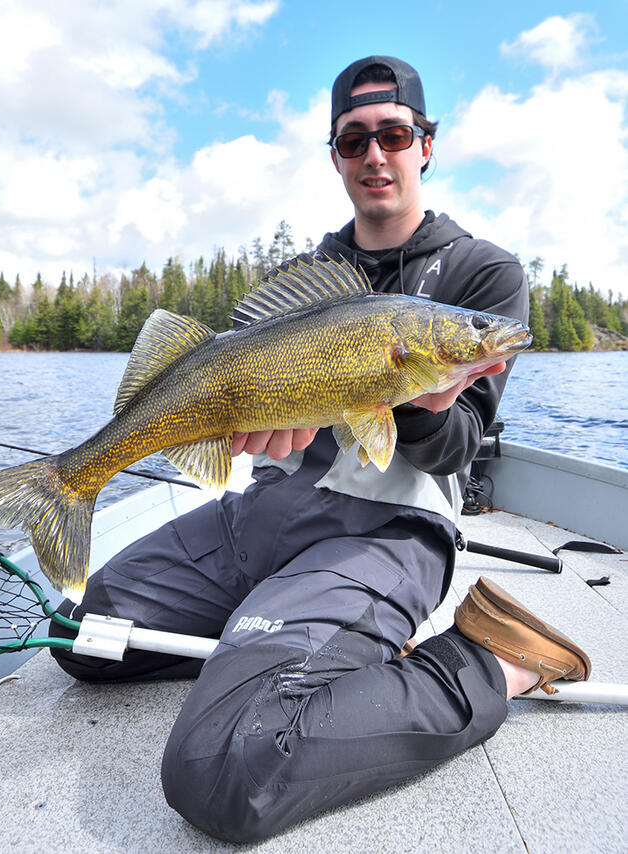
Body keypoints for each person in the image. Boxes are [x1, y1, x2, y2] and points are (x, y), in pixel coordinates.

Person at [49, 56, 590, 842]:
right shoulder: (308, 277)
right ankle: (290, 643)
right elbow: (251, 407)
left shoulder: (482, 274)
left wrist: (419, 404)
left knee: (228, 769)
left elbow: (456, 450)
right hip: (266, 514)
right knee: (80, 636)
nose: (375, 155)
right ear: (335, 155)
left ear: (425, 145)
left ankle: (490, 663)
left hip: (384, 535)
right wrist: (240, 429)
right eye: (353, 139)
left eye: (393, 134)